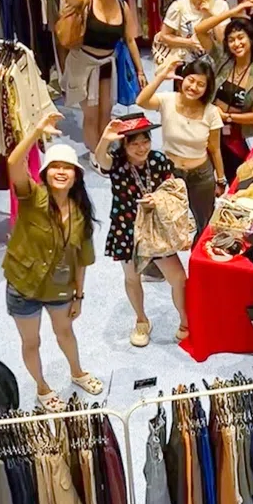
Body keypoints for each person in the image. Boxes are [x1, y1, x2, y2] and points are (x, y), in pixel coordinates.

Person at [3, 111, 101, 408]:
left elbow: (82, 260)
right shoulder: (32, 196)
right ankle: (42, 388)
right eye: (55, 167)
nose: (60, 172)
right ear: (45, 173)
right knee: (31, 342)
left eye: (67, 168)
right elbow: (13, 163)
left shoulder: (81, 213)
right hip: (23, 286)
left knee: (65, 333)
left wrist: (79, 295)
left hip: (60, 287)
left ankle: (77, 372)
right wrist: (36, 131)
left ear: (76, 176)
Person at [94, 114, 189, 346]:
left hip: (156, 227)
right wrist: (105, 138)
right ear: (124, 145)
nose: (141, 148)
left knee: (178, 278)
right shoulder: (117, 163)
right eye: (134, 143)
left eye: (145, 141)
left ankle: (186, 321)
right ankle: (141, 320)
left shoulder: (158, 160)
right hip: (127, 228)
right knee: (131, 277)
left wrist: (158, 199)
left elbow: (173, 189)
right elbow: (100, 159)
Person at [61, 0, 147, 164]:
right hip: (83, 65)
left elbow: (130, 40)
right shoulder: (87, 0)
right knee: (90, 115)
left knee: (106, 112)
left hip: (107, 64)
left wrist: (140, 70)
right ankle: (95, 156)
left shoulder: (123, 7)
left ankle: (103, 150)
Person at [136, 55, 226, 235]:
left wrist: (221, 179)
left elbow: (215, 148)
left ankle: (196, 254)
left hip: (201, 175)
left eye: (201, 84)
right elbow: (141, 101)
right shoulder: (168, 100)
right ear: (182, 78)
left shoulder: (212, 112)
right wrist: (161, 76)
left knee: (204, 223)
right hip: (170, 173)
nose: (193, 87)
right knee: (167, 222)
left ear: (207, 89)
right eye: (190, 80)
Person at [209, 18, 253, 182]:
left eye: (240, 37)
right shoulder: (223, 61)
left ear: (250, 39)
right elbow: (200, 31)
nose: (236, 44)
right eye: (231, 40)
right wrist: (229, 13)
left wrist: (227, 117)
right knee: (208, 176)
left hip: (236, 136)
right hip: (210, 128)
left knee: (239, 179)